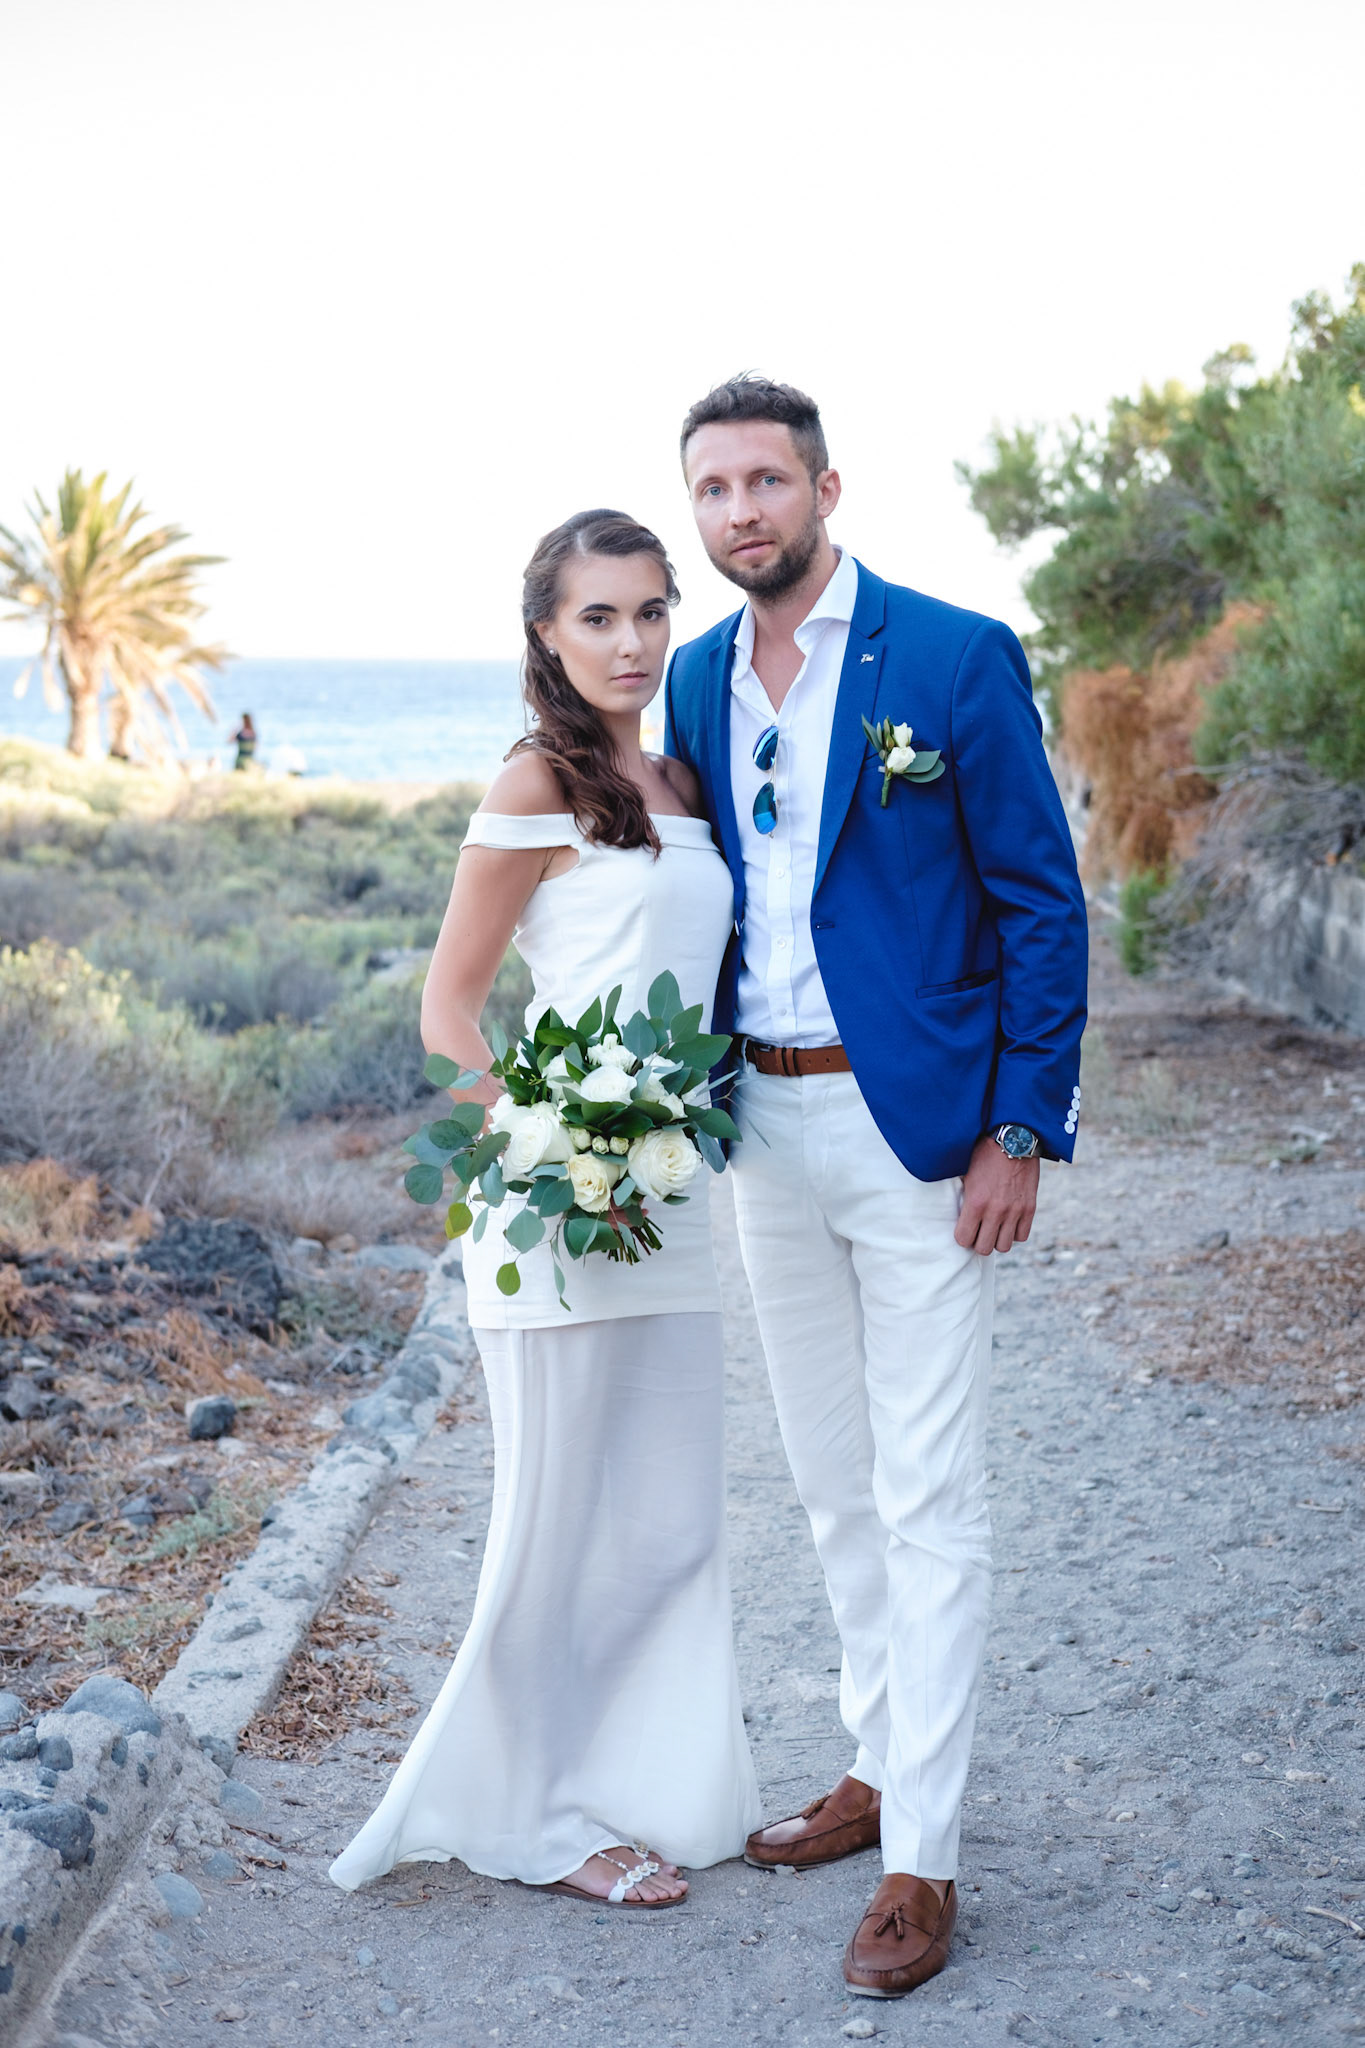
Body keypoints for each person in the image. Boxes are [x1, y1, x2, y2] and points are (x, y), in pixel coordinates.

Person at [665, 376, 1088, 1996]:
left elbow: (1039, 902)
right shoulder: (693, 677)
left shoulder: (952, 657)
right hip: (761, 1134)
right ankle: (872, 1759)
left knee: (928, 1500)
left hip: (916, 1135)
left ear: (825, 489)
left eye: (765, 481)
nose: (740, 512)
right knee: (832, 1485)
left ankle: (926, 1853)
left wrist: (1019, 1126)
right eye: (713, 490)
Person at [329, 510, 760, 1908]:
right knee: (555, 1528)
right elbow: (448, 1006)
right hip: (556, 1202)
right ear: (546, 634)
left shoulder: (682, 780)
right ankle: (535, 1820)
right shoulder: (535, 781)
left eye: (651, 612)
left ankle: (627, 1785)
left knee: (670, 1525)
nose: (632, 643)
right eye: (599, 617)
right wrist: (537, 1150)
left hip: (667, 1191)